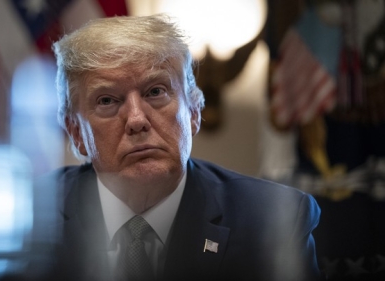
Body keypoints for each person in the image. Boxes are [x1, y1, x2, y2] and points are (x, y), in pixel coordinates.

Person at [40, 14, 321, 281]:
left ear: (194, 112)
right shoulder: (25, 221)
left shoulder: (273, 220)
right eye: (107, 101)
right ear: (76, 132)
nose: (137, 120)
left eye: (156, 92)